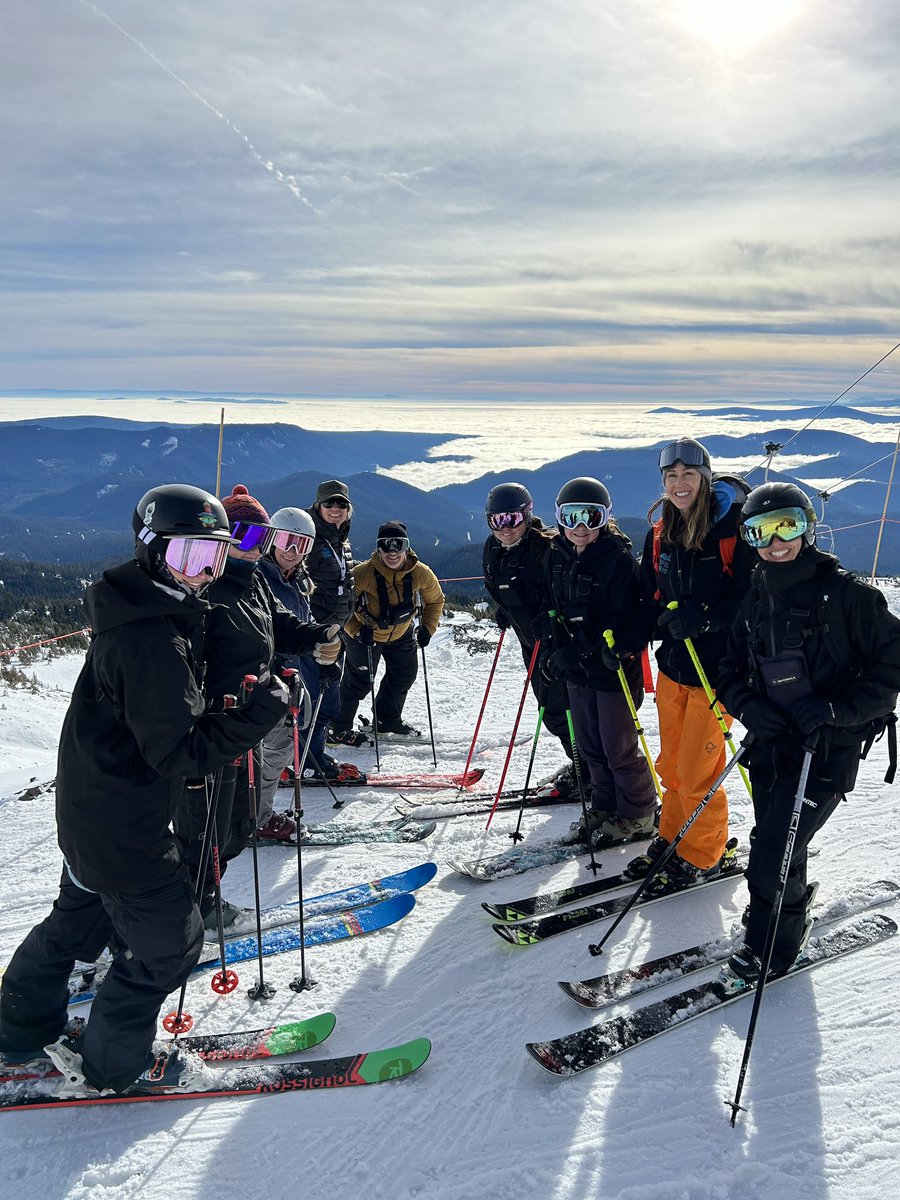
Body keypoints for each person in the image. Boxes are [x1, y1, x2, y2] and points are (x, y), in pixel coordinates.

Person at [0, 484, 292, 1095]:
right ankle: (114, 1066)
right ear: (151, 552)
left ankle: (18, 1028)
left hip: (90, 809)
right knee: (170, 947)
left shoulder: (140, 611)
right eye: (188, 557)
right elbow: (179, 753)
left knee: (74, 926)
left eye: (213, 557)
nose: (202, 573)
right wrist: (256, 714)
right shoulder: (151, 638)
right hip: (122, 825)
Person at [717, 482, 900, 981]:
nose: (777, 541)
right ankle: (786, 909)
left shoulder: (850, 598)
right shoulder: (756, 595)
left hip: (827, 748)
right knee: (779, 838)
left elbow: (891, 671)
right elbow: (728, 669)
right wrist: (750, 707)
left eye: (788, 525)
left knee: (775, 847)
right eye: (762, 530)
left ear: (807, 526)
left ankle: (770, 943)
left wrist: (836, 710)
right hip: (772, 746)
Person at [176, 484, 342, 921]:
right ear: (222, 538)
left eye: (261, 536)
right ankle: (190, 908)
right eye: (242, 535)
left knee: (233, 826)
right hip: (217, 727)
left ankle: (198, 900)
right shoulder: (209, 589)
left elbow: (279, 626)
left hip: (247, 720)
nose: (253, 546)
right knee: (209, 827)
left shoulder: (251, 584)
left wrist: (317, 636)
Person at [611, 437, 755, 888]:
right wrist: (634, 634)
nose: (679, 483)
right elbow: (650, 598)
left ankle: (703, 853)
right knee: (672, 766)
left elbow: (756, 600)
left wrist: (708, 618)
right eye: (671, 476)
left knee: (698, 772)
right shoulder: (661, 534)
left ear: (705, 478)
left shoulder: (733, 530)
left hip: (718, 673)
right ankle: (673, 836)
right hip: (675, 667)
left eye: (688, 475)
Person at [541, 478, 658, 845]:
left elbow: (621, 614)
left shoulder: (616, 558)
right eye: (571, 516)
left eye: (590, 517)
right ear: (559, 517)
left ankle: (639, 813)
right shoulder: (555, 555)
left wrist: (582, 651)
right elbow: (554, 607)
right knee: (590, 744)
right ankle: (606, 806)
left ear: (605, 518)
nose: (580, 527)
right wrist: (553, 647)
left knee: (616, 744)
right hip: (578, 669)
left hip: (611, 667)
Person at [256, 505, 343, 840]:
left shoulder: (294, 579)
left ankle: (254, 812)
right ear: (271, 540)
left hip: (287, 672)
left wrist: (318, 651)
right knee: (274, 746)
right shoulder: (264, 578)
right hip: (267, 676)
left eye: (302, 545)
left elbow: (296, 628)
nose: (293, 552)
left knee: (279, 745)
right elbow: (271, 632)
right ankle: (256, 817)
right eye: (287, 542)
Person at [481, 482, 575, 794]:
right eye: (496, 520)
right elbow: (501, 584)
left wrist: (550, 620)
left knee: (564, 712)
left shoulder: (546, 549)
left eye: (512, 519)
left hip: (558, 645)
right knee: (551, 711)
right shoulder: (492, 549)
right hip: (529, 644)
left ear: (527, 515)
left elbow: (565, 594)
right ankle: (584, 764)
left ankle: (591, 770)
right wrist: (507, 609)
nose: (504, 528)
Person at [335, 521, 444, 737]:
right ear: (378, 548)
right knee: (359, 681)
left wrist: (428, 629)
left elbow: (436, 601)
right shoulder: (363, 573)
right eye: (386, 545)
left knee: (404, 675)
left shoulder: (421, 573)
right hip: (366, 635)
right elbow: (342, 607)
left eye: (398, 545)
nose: (392, 552)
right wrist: (356, 629)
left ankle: (387, 720)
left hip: (402, 633)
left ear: (407, 547)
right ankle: (338, 726)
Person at [304, 480, 361, 776]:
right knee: (315, 698)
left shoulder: (339, 539)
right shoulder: (311, 536)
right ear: (318, 506)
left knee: (328, 697)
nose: (335, 509)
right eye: (329, 504)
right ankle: (306, 758)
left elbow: (340, 577)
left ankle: (314, 753)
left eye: (341, 504)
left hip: (334, 631)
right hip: (314, 634)